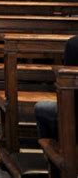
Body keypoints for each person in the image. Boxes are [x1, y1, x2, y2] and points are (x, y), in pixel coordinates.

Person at [34, 35, 78, 178]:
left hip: (74, 113)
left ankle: (57, 165)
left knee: (41, 108)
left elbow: (68, 83)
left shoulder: (74, 44)